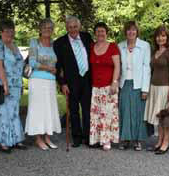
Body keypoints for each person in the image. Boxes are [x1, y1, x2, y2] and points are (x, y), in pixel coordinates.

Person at [54, 16, 93, 147]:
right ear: (66, 28)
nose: (73, 29)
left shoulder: (87, 37)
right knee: (74, 111)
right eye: (70, 27)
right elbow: (58, 66)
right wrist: (62, 83)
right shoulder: (60, 43)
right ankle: (76, 137)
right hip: (71, 83)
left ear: (79, 26)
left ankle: (88, 137)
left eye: (75, 26)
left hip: (87, 80)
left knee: (88, 110)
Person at [0, 20, 26, 153]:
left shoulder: (15, 46)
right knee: (3, 114)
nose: (10, 33)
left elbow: (19, 67)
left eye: (12, 31)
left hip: (15, 85)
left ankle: (16, 139)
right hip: (1, 85)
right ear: (1, 32)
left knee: (14, 114)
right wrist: (5, 85)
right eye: (7, 31)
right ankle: (3, 141)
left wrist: (20, 84)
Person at [25, 19, 61, 150]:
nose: (47, 30)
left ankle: (47, 136)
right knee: (38, 109)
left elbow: (58, 62)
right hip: (37, 80)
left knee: (49, 109)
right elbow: (33, 62)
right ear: (40, 29)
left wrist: (57, 70)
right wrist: (49, 68)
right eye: (45, 27)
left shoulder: (53, 44)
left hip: (50, 81)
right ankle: (38, 138)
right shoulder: (34, 42)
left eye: (50, 28)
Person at [144, 25, 169, 155]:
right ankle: (159, 141)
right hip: (154, 87)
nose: (160, 38)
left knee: (166, 118)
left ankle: (166, 143)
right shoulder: (154, 52)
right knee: (158, 118)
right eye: (158, 36)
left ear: (167, 37)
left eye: (163, 36)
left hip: (165, 88)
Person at [118, 21, 151, 151]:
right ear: (125, 32)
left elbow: (146, 68)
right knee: (125, 111)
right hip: (124, 83)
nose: (131, 32)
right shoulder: (120, 46)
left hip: (139, 83)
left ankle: (138, 140)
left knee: (138, 112)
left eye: (133, 30)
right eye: (128, 30)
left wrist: (145, 89)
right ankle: (125, 139)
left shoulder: (144, 46)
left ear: (137, 32)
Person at [89, 22, 120, 151]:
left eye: (102, 31)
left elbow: (118, 66)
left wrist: (114, 82)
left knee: (107, 114)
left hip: (109, 86)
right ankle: (96, 139)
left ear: (106, 33)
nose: (100, 33)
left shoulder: (112, 46)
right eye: (98, 31)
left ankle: (107, 140)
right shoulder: (91, 47)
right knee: (96, 114)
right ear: (95, 33)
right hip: (95, 87)